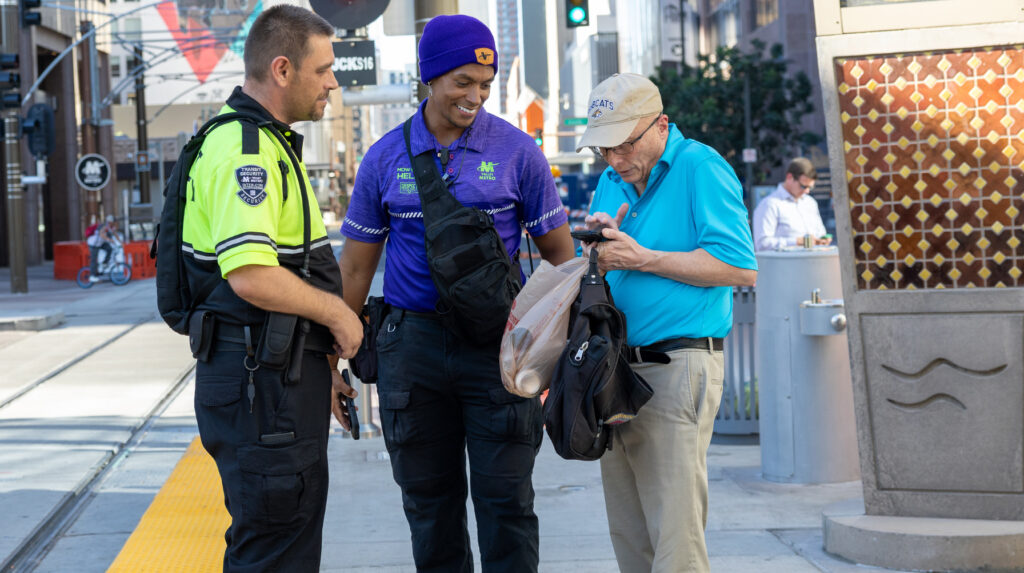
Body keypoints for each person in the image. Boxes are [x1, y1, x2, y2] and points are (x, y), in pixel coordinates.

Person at [338, 15, 575, 573]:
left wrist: (549, 351)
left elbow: (561, 262)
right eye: (462, 82)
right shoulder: (383, 158)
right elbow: (354, 271)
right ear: (430, 77)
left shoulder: (519, 153)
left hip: (497, 353)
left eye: (485, 85)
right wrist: (335, 354)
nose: (475, 96)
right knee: (429, 507)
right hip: (411, 351)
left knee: (507, 505)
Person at [179, 5, 363, 571]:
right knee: (276, 551)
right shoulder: (246, 153)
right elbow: (251, 273)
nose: (334, 81)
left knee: (284, 540)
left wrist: (321, 368)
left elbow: (290, 269)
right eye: (323, 69)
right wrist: (339, 315)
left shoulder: (266, 142)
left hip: (275, 377)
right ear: (282, 69)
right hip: (263, 388)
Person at [575, 73, 758, 573]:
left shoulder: (701, 167)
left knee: (675, 537)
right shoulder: (612, 181)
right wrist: (598, 245)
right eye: (604, 149)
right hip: (615, 370)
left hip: (677, 364)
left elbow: (740, 266)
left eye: (624, 144)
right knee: (629, 533)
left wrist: (644, 258)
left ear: (662, 125)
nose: (614, 159)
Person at [752, 157, 832, 251]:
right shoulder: (769, 204)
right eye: (803, 186)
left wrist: (822, 240)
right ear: (789, 177)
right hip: (786, 264)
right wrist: (796, 241)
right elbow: (762, 244)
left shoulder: (810, 202)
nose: (807, 191)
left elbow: (820, 233)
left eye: (810, 187)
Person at [88, 215, 119, 281]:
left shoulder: (111, 228)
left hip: (101, 243)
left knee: (109, 249)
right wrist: (109, 240)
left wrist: (121, 243)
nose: (115, 223)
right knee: (94, 259)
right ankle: (92, 276)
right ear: (110, 221)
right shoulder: (104, 226)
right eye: (114, 222)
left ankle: (105, 263)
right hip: (94, 244)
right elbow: (101, 234)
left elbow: (115, 234)